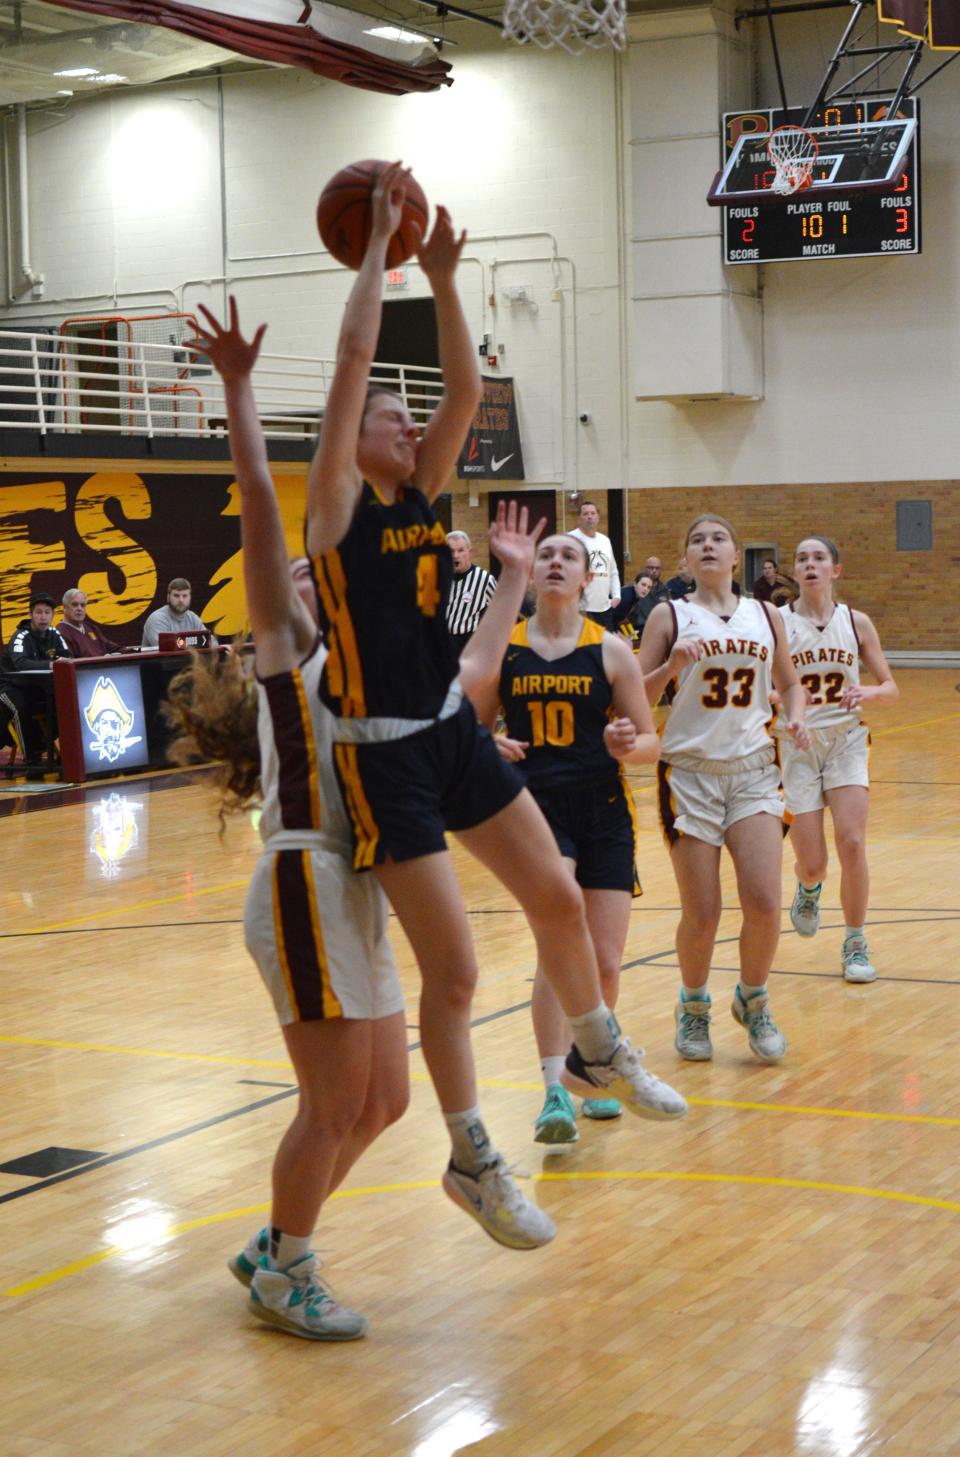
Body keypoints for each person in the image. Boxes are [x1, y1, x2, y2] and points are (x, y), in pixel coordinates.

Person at [305, 163, 687, 1249]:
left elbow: (467, 394)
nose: (406, 419)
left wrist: (445, 276)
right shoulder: (335, 509)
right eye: (390, 413)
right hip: (380, 756)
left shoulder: (424, 497)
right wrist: (381, 253)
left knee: (560, 896)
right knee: (459, 971)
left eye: (406, 412)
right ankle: (473, 1153)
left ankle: (601, 1041)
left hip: (448, 730)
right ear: (359, 438)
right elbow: (348, 362)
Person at [173, 300, 547, 1341]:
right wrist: (241, 389)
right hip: (304, 877)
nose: (309, 572)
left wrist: (506, 584)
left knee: (383, 1101)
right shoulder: (288, 648)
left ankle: (275, 1240)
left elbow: (465, 682)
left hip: (363, 875)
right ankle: (288, 1262)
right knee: (333, 1101)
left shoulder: (378, 658)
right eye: (296, 573)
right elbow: (259, 501)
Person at [475, 532, 684, 1143]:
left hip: (604, 810)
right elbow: (469, 733)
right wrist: (489, 744)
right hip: (537, 809)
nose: (558, 563)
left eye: (570, 556)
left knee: (606, 961)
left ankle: (590, 1071)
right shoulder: (506, 650)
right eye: (548, 555)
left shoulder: (612, 651)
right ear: (532, 573)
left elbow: (651, 742)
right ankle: (551, 1091)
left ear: (590, 576)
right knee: (558, 938)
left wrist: (630, 744)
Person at [639, 515, 810, 1064]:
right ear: (686, 559)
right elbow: (632, 697)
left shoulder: (766, 615)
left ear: (737, 555)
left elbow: (788, 682)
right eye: (696, 540)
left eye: (717, 539)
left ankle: (753, 999)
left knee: (763, 901)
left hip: (756, 768)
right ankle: (693, 1006)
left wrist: (798, 715)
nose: (707, 546)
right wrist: (670, 667)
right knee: (704, 910)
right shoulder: (670, 615)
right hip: (688, 773)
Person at [779, 535, 899, 983]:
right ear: (795, 571)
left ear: (836, 570)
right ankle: (809, 888)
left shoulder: (856, 622)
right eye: (802, 558)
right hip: (797, 745)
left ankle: (855, 941)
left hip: (846, 739)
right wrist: (789, 704)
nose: (809, 564)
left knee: (852, 841)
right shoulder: (778, 623)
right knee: (813, 861)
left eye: (819, 558)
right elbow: (760, 688)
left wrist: (870, 690)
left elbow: (890, 687)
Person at [0, 591, 72, 767]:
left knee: (65, 702)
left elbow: (67, 657)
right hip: (9, 687)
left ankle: (68, 754)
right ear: (30, 614)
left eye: (47, 612)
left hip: (37, 687)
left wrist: (59, 662)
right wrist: (51, 664)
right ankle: (31, 758)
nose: (43, 617)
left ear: (53, 615)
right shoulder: (20, 636)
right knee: (21, 707)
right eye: (39, 612)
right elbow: (21, 664)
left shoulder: (55, 634)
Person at [568, 501, 621, 627]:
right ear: (579, 518)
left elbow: (613, 571)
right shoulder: (570, 539)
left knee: (604, 646)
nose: (589, 516)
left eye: (593, 513)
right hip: (580, 609)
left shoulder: (605, 540)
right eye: (585, 514)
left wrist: (617, 595)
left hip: (604, 609)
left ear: (598, 517)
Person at [445, 530, 497, 656]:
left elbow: (501, 612)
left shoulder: (484, 580)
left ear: (470, 552)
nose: (455, 556)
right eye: (451, 551)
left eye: (461, 550)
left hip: (468, 645)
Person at [141, 578, 216, 648]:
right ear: (168, 597)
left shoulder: (193, 618)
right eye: (176, 596)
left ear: (190, 597)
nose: (181, 600)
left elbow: (212, 642)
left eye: (185, 596)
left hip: (189, 661)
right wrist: (196, 643)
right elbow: (166, 649)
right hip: (160, 662)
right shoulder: (157, 619)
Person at [57, 588, 122, 657]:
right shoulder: (59, 633)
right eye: (74, 605)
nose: (79, 609)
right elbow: (70, 663)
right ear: (64, 608)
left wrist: (133, 651)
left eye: (82, 605)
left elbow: (114, 648)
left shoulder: (92, 629)